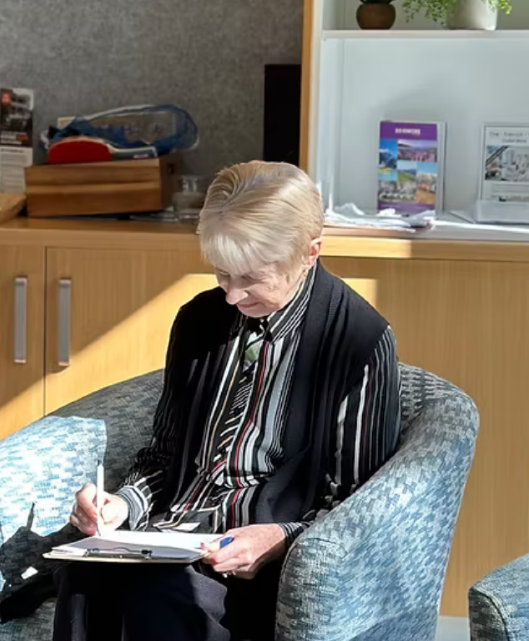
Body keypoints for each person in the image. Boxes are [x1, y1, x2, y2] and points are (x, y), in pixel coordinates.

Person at [53, 161, 401, 641]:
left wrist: (279, 538)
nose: (233, 295)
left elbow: (360, 505)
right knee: (85, 574)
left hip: (253, 563)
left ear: (310, 253)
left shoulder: (359, 342)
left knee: (162, 597)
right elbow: (164, 455)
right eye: (222, 274)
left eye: (252, 278)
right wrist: (120, 506)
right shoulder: (199, 320)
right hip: (170, 536)